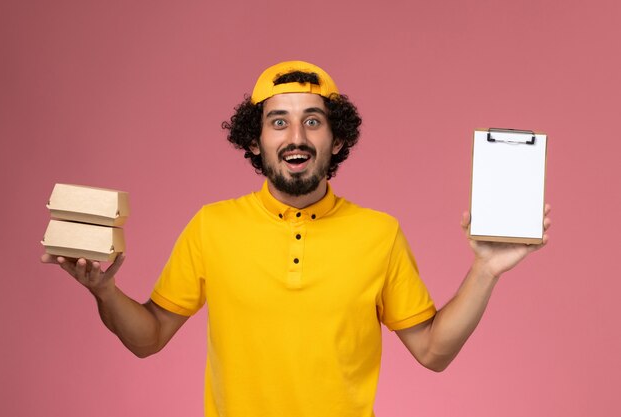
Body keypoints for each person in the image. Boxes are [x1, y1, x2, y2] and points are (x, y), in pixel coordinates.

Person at [42, 60, 551, 417]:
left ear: (338, 140)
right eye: (278, 122)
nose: (296, 137)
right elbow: (148, 338)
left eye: (313, 121)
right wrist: (104, 292)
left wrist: (485, 270)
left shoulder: (379, 233)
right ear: (255, 141)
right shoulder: (212, 225)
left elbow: (433, 352)